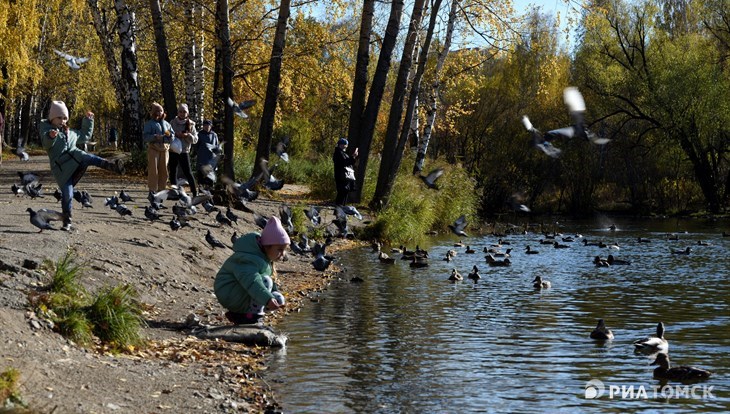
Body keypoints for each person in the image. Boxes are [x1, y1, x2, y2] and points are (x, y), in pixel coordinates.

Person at [39, 101, 125, 231]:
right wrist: (51, 137)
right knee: (67, 195)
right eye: (59, 118)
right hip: (61, 170)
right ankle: (67, 221)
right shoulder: (47, 131)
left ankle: (112, 166)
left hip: (76, 161)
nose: (62, 121)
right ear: (52, 118)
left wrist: (88, 120)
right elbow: (46, 144)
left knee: (87, 156)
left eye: (64, 118)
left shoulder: (71, 133)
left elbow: (84, 135)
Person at [214, 216, 290, 325]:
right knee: (265, 282)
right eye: (279, 249)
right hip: (229, 293)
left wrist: (273, 294)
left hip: (240, 291)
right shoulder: (248, 259)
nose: (283, 254)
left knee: (278, 297)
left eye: (284, 250)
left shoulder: (263, 257)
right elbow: (252, 282)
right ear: (267, 246)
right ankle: (252, 318)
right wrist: (268, 299)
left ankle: (240, 315)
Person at [142, 102, 173, 193]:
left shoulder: (167, 124)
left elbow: (172, 134)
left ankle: (162, 190)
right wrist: (155, 137)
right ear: (153, 112)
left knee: (164, 171)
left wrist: (170, 137)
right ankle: (152, 190)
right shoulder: (149, 124)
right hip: (153, 149)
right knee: (153, 170)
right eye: (157, 111)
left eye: (161, 110)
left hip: (164, 149)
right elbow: (145, 137)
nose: (159, 113)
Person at [168, 103, 198, 195]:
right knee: (173, 171)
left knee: (188, 172)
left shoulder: (191, 124)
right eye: (180, 111)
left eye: (184, 112)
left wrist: (187, 135)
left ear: (187, 113)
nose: (182, 113)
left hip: (184, 151)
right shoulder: (172, 122)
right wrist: (175, 134)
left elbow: (195, 140)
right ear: (178, 112)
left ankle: (194, 191)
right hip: (173, 150)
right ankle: (174, 191)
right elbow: (166, 133)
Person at [332, 137, 358, 206]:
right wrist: (353, 157)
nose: (345, 146)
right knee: (341, 193)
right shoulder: (338, 153)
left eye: (346, 145)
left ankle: (341, 211)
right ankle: (338, 211)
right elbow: (344, 163)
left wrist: (352, 158)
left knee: (344, 193)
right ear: (340, 145)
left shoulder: (343, 153)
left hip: (344, 177)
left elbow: (347, 162)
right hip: (341, 177)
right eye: (344, 144)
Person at [195, 119, 220, 186]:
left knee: (210, 174)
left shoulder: (214, 135)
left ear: (211, 126)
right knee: (201, 173)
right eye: (205, 125)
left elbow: (217, 146)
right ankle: (200, 188)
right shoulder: (199, 134)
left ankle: (210, 188)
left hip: (211, 158)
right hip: (202, 157)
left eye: (208, 125)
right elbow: (196, 146)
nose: (206, 127)